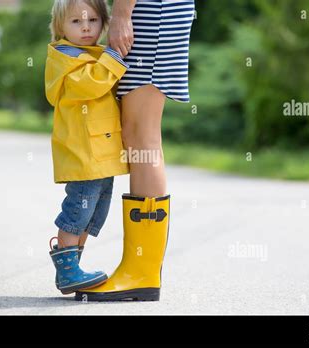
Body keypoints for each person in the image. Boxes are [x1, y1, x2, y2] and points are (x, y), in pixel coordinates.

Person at [76, 0, 195, 301]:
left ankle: (140, 272)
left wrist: (122, 14)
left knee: (142, 135)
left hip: (152, 12)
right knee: (136, 134)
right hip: (153, 12)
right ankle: (138, 269)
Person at [45, 0, 130, 295]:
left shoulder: (92, 54)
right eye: (76, 22)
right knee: (79, 208)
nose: (85, 28)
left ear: (103, 22)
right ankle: (67, 270)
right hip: (84, 153)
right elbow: (91, 84)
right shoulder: (65, 57)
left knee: (95, 208)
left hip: (99, 153)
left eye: (93, 21)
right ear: (60, 27)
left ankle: (72, 269)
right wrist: (115, 56)